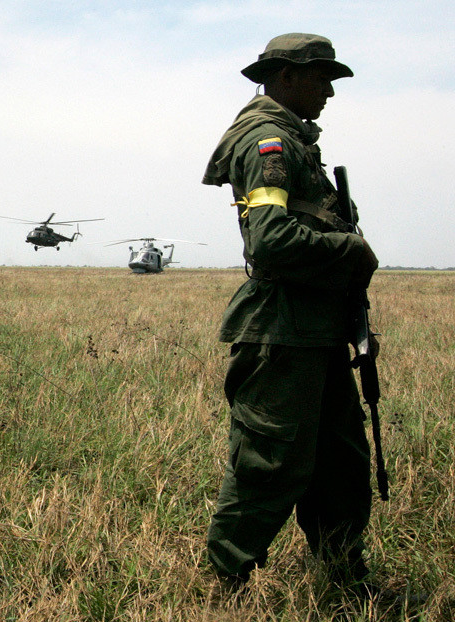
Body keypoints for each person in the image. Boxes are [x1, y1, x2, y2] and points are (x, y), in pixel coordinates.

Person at [201, 34, 382, 591]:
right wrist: (350, 251)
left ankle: (343, 577)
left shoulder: (297, 144)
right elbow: (271, 241)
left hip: (314, 332)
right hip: (281, 333)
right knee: (268, 464)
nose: (329, 90)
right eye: (320, 77)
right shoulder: (269, 142)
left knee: (341, 466)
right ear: (284, 78)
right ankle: (221, 583)